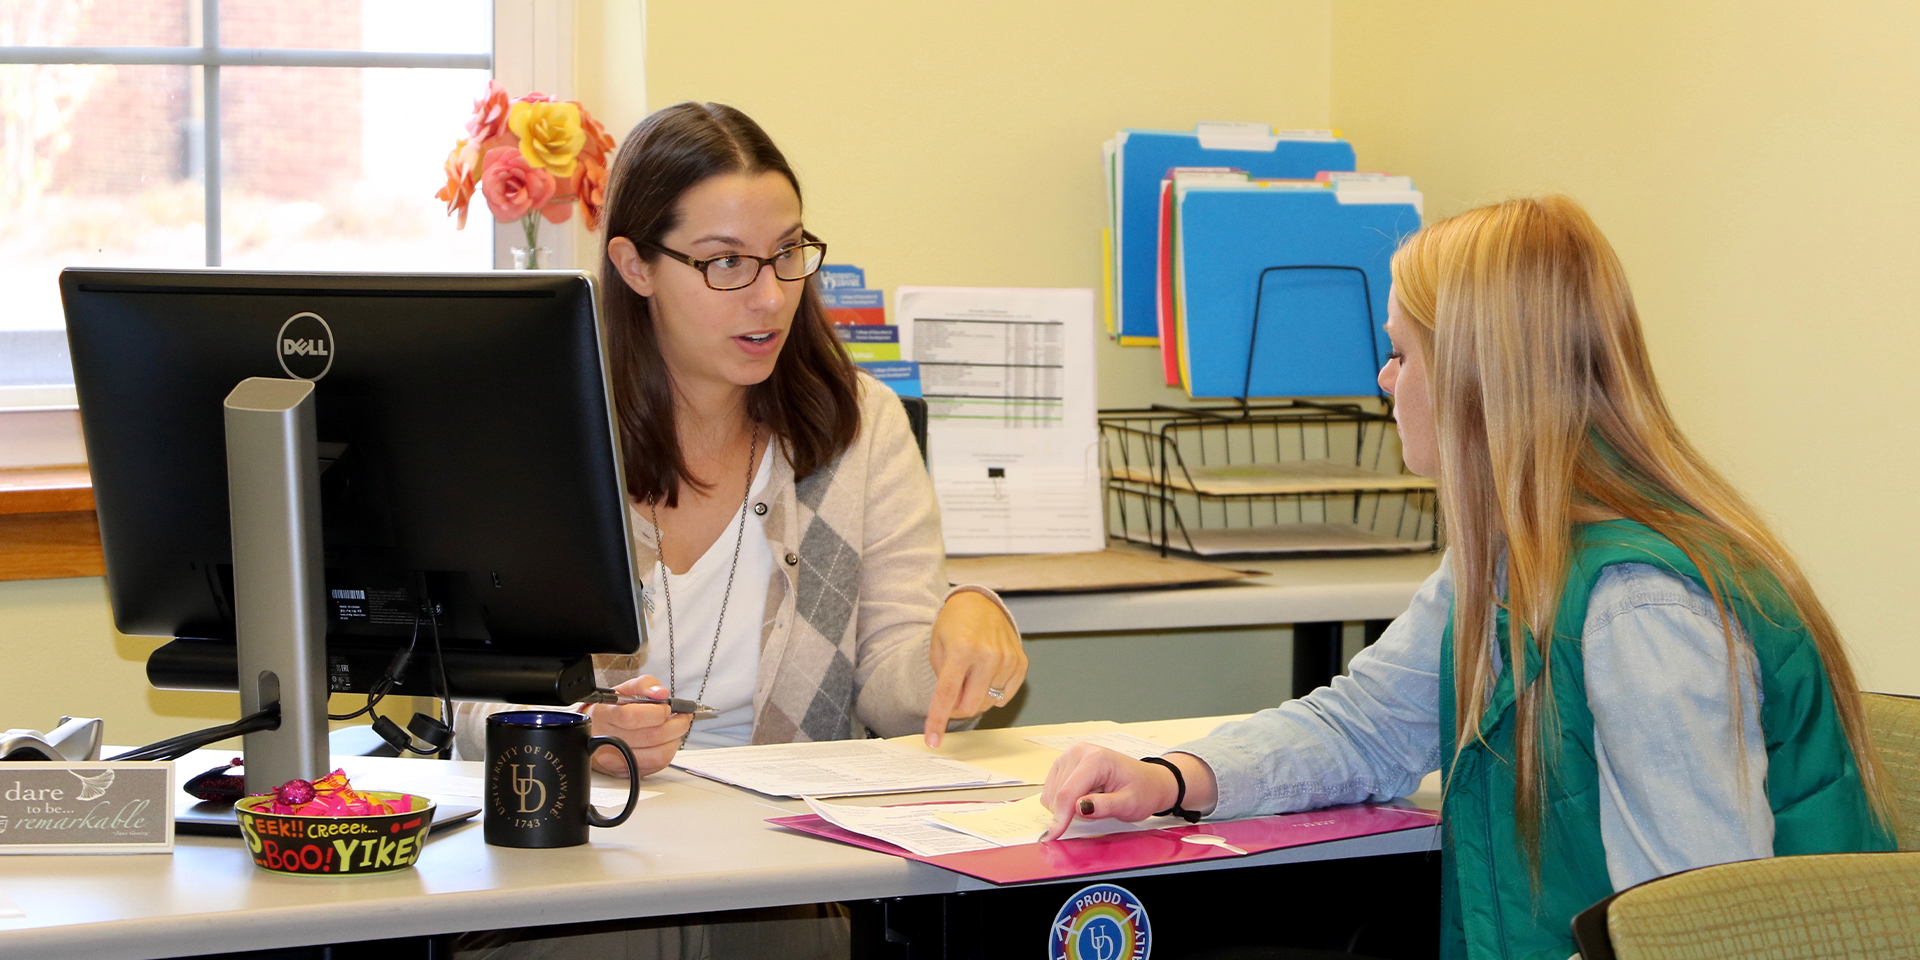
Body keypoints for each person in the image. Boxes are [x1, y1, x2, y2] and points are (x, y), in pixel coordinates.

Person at [1039, 195, 1895, 960]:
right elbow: (1371, 727)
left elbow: (1688, 929)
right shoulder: (1509, 551)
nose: (1384, 380)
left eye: (1402, 354)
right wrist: (1173, 777)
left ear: (1480, 382)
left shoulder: (1638, 607)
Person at [453, 101, 1027, 773]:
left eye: (785, 253)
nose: (771, 297)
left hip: (788, 845)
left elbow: (890, 691)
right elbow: (466, 702)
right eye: (725, 262)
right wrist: (575, 731)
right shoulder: (542, 432)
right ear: (636, 266)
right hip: (583, 832)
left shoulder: (861, 425)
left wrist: (960, 643)